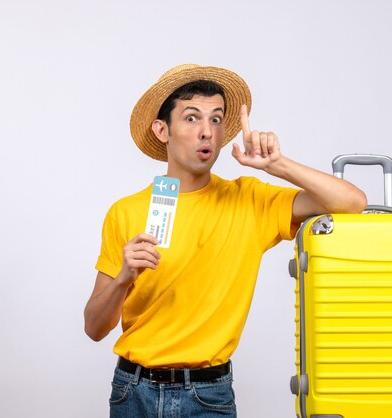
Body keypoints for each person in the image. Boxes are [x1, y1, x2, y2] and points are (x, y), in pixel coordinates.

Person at [83, 64, 366, 417]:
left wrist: (278, 165)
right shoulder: (125, 212)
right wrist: (123, 277)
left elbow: (351, 203)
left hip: (208, 396)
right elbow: (94, 328)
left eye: (216, 120)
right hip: (132, 391)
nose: (206, 132)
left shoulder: (249, 200)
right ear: (162, 129)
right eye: (191, 118)